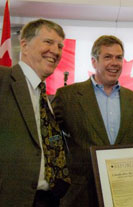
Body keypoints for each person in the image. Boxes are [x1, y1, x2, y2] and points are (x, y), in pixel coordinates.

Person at [53, 35, 133, 207]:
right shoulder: (67, 97)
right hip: (80, 196)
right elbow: (50, 140)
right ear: (94, 62)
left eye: (119, 57)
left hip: (124, 194)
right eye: (107, 57)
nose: (115, 62)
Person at [0, 19, 71, 206]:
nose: (56, 51)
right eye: (48, 42)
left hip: (48, 199)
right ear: (24, 45)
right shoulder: (3, 79)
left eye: (60, 46)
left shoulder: (45, 97)